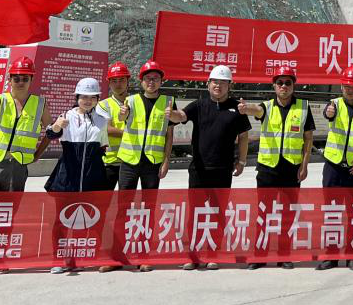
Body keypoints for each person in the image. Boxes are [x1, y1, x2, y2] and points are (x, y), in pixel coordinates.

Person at [167, 65, 250, 270]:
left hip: (223, 170)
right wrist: (172, 114)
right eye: (215, 82)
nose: (218, 86)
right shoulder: (199, 105)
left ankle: (213, 253)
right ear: (208, 84)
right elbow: (182, 117)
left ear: (229, 85)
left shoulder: (236, 108)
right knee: (194, 212)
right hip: (199, 169)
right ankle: (192, 255)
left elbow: (244, 136)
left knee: (218, 212)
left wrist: (241, 161)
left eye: (223, 83)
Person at [238, 65, 314, 270]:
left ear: (293, 85)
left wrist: (304, 166)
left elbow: (308, 140)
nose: (283, 86)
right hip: (268, 169)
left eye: (288, 82)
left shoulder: (304, 107)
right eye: (279, 82)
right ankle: (260, 255)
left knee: (287, 215)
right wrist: (246, 109)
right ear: (274, 86)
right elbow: (257, 110)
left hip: (292, 169)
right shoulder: (267, 106)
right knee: (264, 213)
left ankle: (284, 255)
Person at [42, 78, 110, 274]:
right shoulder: (66, 116)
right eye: (83, 97)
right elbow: (51, 135)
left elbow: (103, 147)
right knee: (61, 219)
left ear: (97, 98)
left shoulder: (102, 119)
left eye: (92, 97)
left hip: (93, 175)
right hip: (67, 176)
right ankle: (60, 258)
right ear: (77, 97)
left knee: (95, 218)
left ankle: (93, 255)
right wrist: (56, 127)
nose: (87, 101)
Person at [317, 64, 353, 271]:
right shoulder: (333, 104)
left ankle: (352, 256)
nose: (349, 89)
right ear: (341, 86)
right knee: (332, 212)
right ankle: (331, 256)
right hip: (333, 167)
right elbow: (328, 114)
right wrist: (328, 112)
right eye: (346, 86)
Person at [0, 57, 46, 192]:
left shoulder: (40, 104)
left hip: (18, 165)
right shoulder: (1, 99)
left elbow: (52, 131)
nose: (21, 82)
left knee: (11, 208)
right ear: (10, 80)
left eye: (25, 79)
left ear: (31, 80)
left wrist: (37, 155)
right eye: (16, 79)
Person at [116, 61, 173, 192]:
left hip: (153, 162)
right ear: (141, 81)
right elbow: (121, 118)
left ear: (161, 81)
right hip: (129, 161)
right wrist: (122, 114)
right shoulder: (130, 100)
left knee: (150, 204)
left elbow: (169, 135)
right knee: (124, 203)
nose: (151, 82)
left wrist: (166, 161)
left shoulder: (168, 102)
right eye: (147, 78)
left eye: (155, 78)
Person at [98, 62, 131, 190]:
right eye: (114, 80)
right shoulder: (103, 105)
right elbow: (107, 129)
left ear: (128, 80)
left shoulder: (136, 102)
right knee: (103, 202)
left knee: (125, 203)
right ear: (109, 83)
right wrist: (133, 134)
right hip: (109, 162)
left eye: (122, 79)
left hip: (130, 161)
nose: (118, 84)